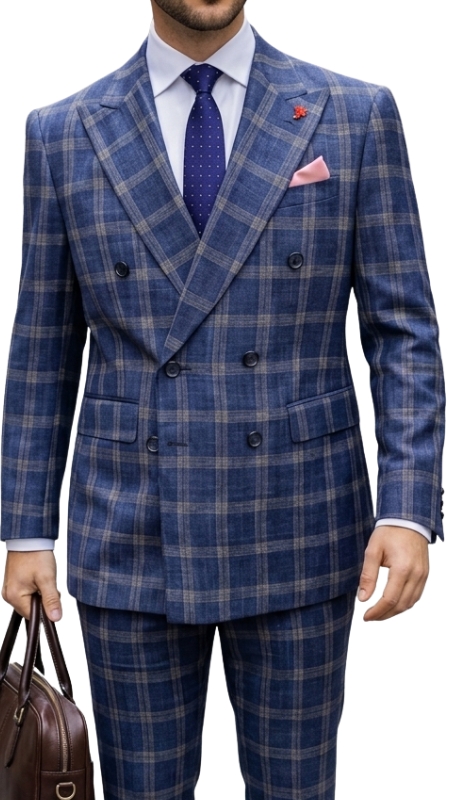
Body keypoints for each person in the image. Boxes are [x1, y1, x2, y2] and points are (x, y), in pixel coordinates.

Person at [1, 1, 445, 798]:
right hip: (131, 528)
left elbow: (402, 329)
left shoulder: (352, 114)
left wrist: (408, 507)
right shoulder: (64, 132)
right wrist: (26, 530)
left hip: (299, 524)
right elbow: (43, 346)